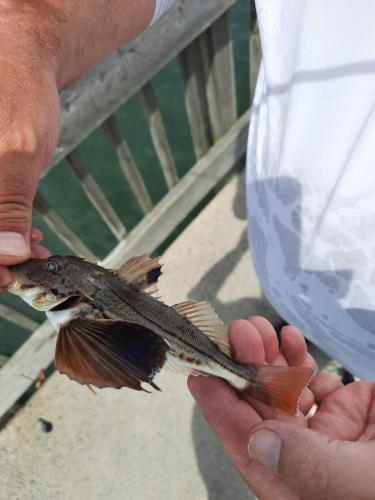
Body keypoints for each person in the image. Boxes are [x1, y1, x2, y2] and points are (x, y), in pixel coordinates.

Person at [0, 0, 374, 498]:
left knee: (295, 364)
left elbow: (110, 327)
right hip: (292, 277)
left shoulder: (77, 316)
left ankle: (314, 370)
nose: (29, 283)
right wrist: (27, 33)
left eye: (38, 288)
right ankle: (326, 359)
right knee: (290, 347)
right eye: (42, 282)